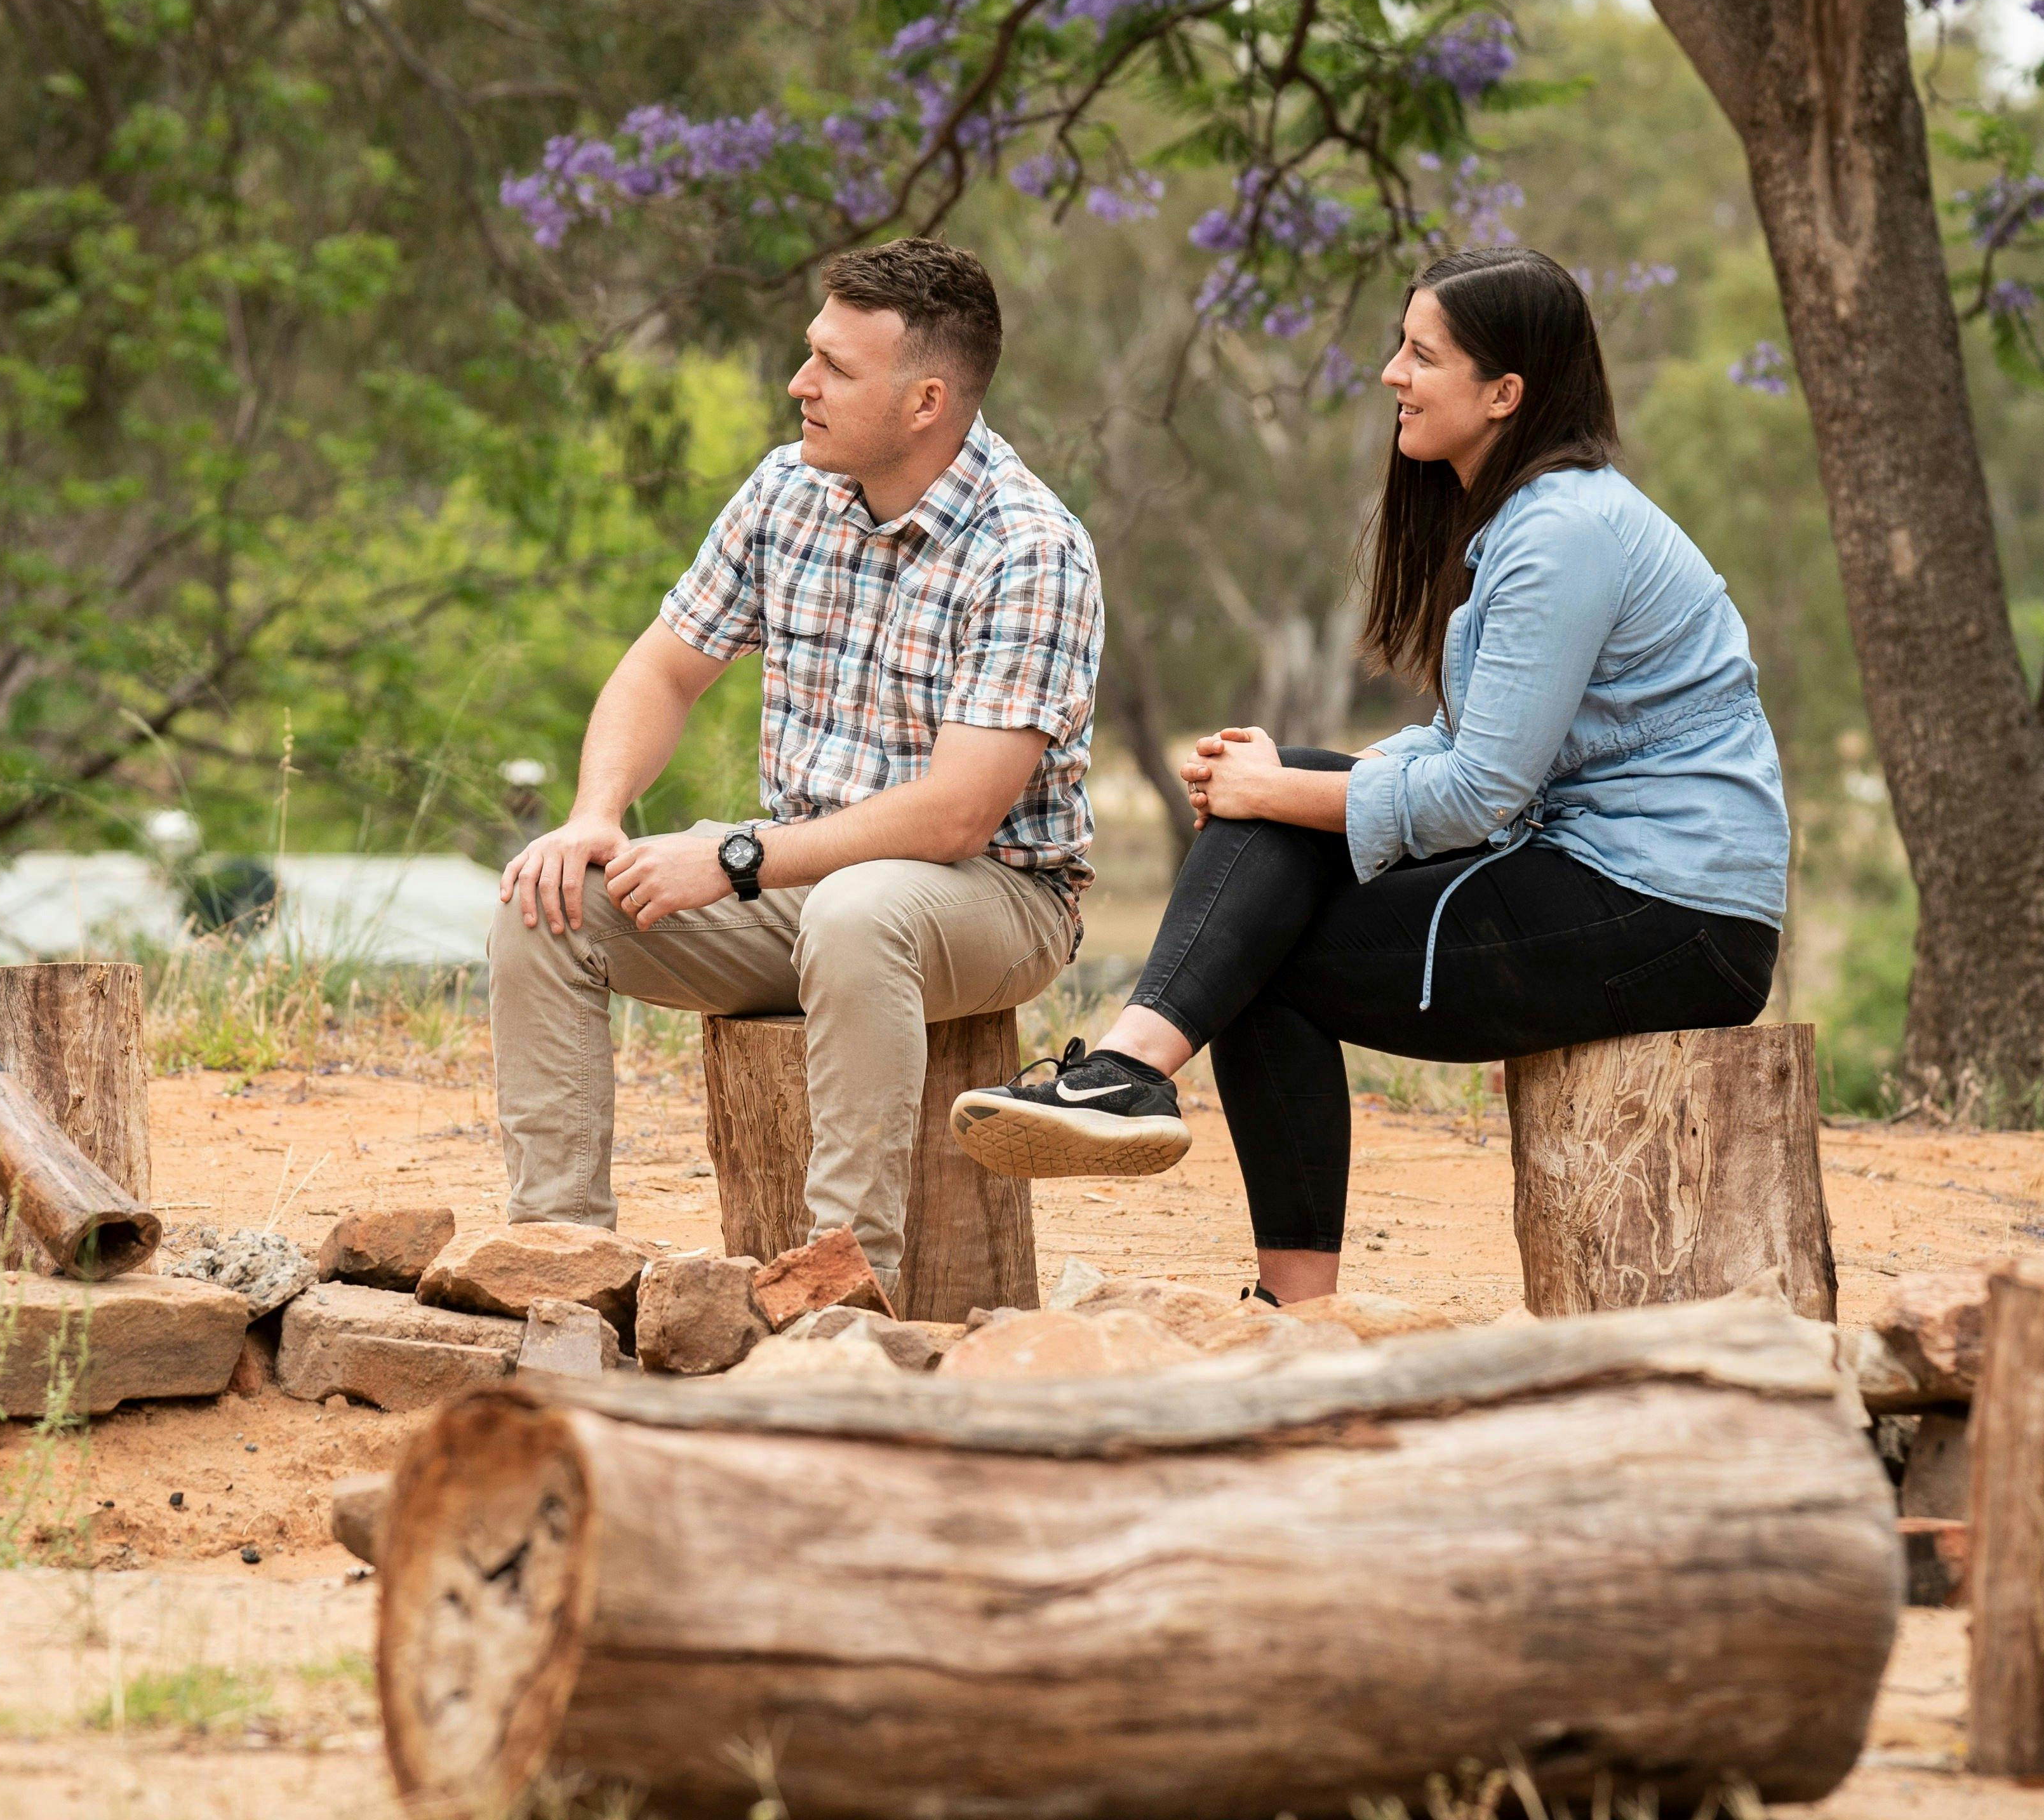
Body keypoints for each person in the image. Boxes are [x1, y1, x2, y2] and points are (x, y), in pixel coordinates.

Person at [949, 244, 1787, 1306]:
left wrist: (1273, 793)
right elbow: (1459, 746)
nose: (1392, 373)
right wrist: (1279, 778)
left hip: (1674, 918)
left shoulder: (1563, 532)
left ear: (1503, 393)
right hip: (1616, 884)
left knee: (1261, 941)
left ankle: (1172, 1134)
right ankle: (1175, 1140)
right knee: (1269, 861)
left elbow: (1478, 797)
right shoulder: (1534, 519)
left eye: (1420, 354)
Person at [488, 239, 1103, 1301]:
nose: (800, 385)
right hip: (806, 883)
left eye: (834, 369)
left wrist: (733, 857)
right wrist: (598, 813)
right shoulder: (788, 490)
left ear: (926, 402)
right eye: (809, 354)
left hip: (1000, 900)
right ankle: (561, 1267)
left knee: (861, 914)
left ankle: (842, 1292)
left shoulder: (1030, 549)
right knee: (551, 899)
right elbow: (662, 673)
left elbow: (958, 816)